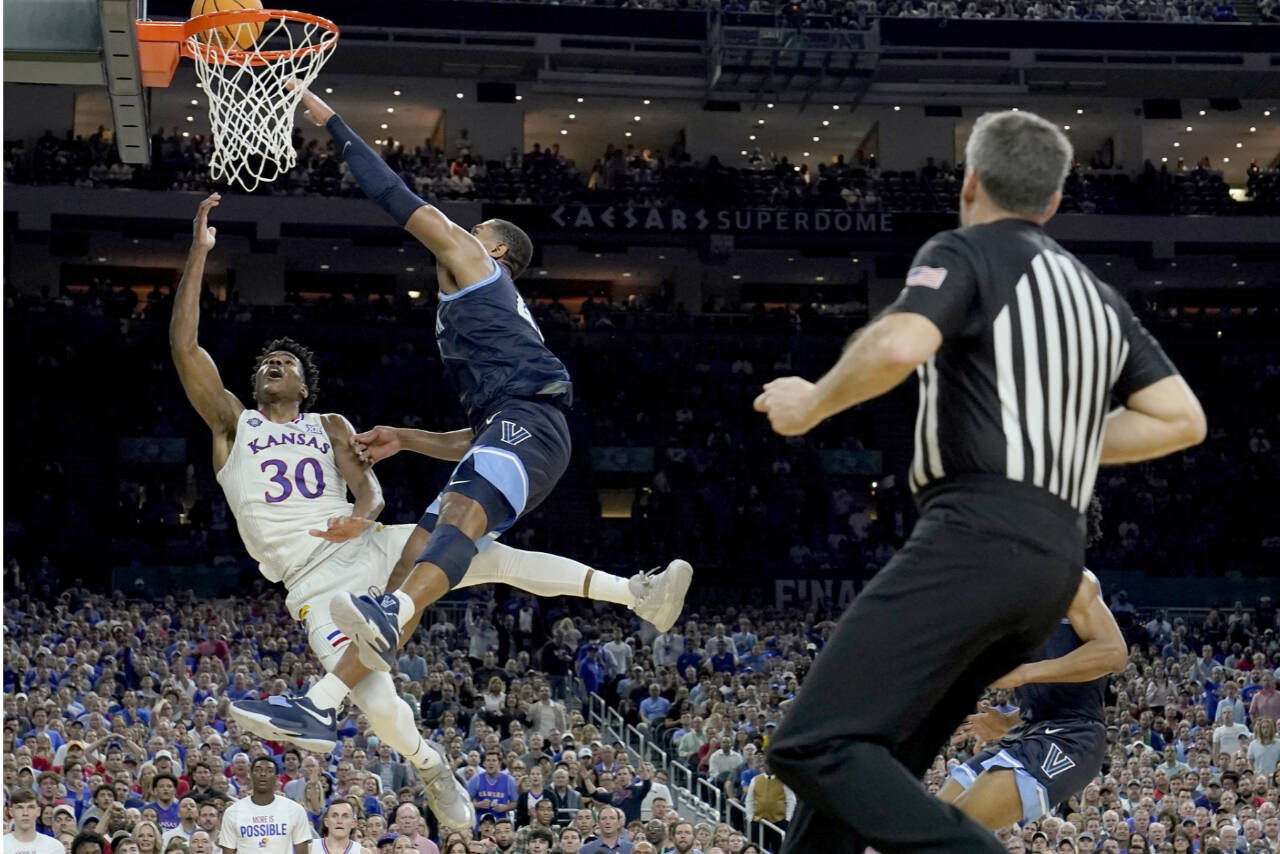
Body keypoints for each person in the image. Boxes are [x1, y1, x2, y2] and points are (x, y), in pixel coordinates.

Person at [753, 109, 1205, 854]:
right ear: (1054, 202)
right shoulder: (1094, 295)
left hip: (977, 536)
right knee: (872, 758)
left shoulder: (969, 248)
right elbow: (1182, 420)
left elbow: (899, 343)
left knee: (810, 745)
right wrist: (1052, 441)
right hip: (1052, 559)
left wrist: (809, 403)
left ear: (969, 184)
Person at [168, 196, 684, 826]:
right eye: (266, 365)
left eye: (288, 364)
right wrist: (198, 255)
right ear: (254, 386)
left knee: (488, 555)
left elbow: (371, 490)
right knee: (376, 697)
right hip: (310, 578)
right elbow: (186, 347)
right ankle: (429, 764)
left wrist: (366, 512)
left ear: (305, 386)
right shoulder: (232, 425)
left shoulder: (330, 424)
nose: (274, 365)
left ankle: (635, 590)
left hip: (368, 543)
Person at [285, 85, 693, 675]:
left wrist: (337, 125)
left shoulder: (478, 268)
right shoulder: (485, 306)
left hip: (532, 420)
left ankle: (390, 613)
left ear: (494, 248)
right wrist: (407, 437)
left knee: (456, 515)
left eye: (474, 231)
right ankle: (329, 698)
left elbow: (398, 198)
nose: (460, 234)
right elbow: (478, 436)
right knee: (420, 552)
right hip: (515, 424)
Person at [941, 515, 1128, 828]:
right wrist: (1010, 720)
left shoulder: (1074, 583)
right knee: (924, 826)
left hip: (1073, 735)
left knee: (952, 830)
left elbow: (1114, 653)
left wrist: (1024, 673)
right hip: (1027, 731)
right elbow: (1054, 693)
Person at [217, 756, 312, 854]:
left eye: (269, 771)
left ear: (276, 778)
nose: (263, 774)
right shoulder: (232, 812)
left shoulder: (294, 810)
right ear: (251, 775)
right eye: (258, 770)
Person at [5, 788, 66, 854]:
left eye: (30, 807)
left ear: (38, 811)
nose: (25, 813)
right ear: (11, 812)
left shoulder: (55, 847)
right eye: (19, 807)